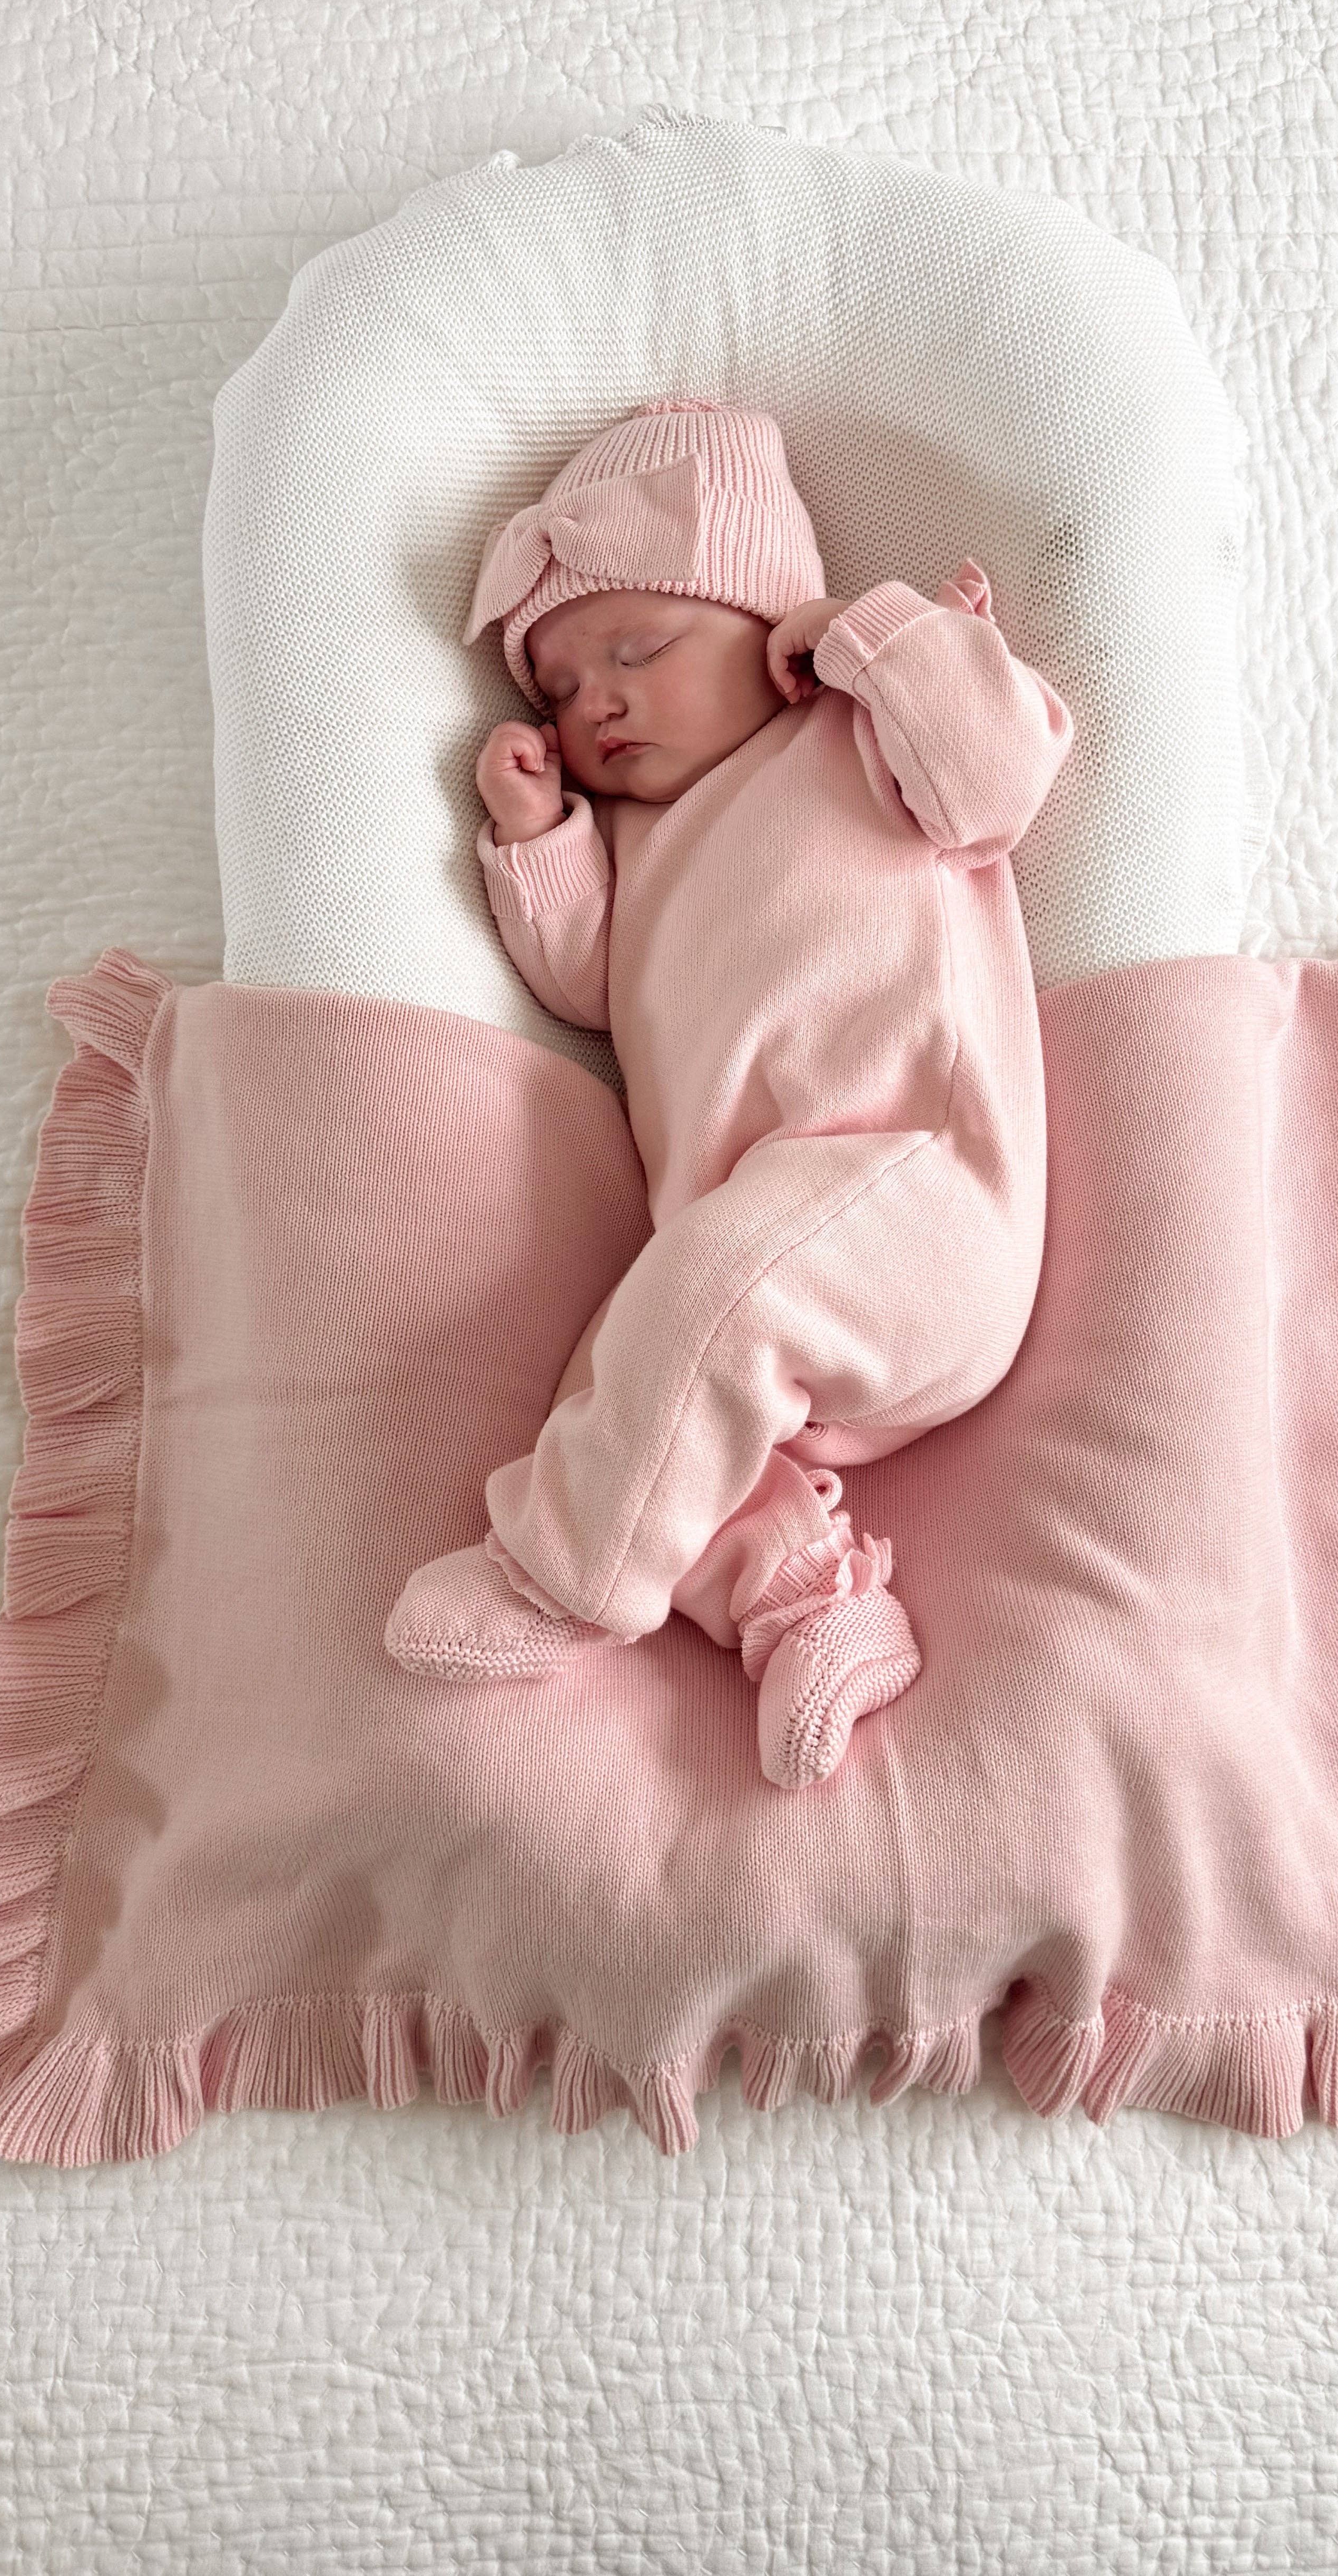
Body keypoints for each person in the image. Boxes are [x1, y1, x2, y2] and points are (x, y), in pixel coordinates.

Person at [382, 397, 1075, 1789]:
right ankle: (809, 1608)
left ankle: (561, 1578)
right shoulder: (644, 842)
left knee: (697, 1309)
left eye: (635, 651)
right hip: (769, 1260)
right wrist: (542, 841)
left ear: (768, 629)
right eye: (559, 690)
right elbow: (591, 987)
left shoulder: (858, 737)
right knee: (629, 1392)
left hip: (920, 1196)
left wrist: (871, 636)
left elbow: (1002, 773)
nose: (596, 704)